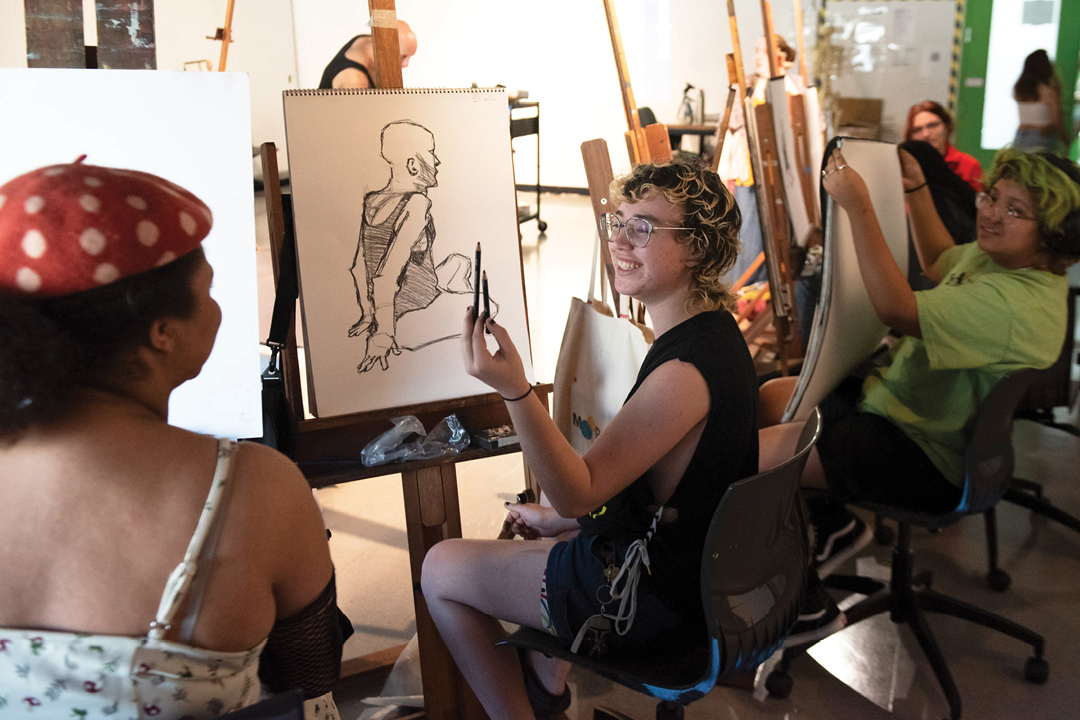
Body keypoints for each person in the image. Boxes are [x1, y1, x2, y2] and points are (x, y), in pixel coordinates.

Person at [0, 159, 348, 720]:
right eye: (207, 292)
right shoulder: (253, 489)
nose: (216, 310)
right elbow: (311, 675)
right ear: (160, 332)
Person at [421, 155, 759, 720]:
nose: (621, 241)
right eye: (617, 222)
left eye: (644, 228)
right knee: (550, 525)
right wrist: (564, 521)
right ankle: (543, 684)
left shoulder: (684, 373)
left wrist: (514, 390)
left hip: (652, 599)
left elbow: (583, 490)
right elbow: (662, 492)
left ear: (697, 247)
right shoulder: (712, 333)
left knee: (440, 569)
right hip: (689, 573)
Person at [758, 146, 1080, 635]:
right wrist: (915, 188)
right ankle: (835, 521)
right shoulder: (1003, 261)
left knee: (750, 462)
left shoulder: (1016, 303)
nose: (991, 213)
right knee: (769, 399)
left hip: (921, 455)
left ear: (1053, 237)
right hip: (898, 409)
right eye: (992, 197)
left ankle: (806, 603)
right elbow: (936, 262)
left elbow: (897, 308)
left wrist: (860, 208)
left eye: (1015, 210)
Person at [348, 120, 476, 373]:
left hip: (392, 306)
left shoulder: (372, 200)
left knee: (460, 262)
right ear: (413, 164)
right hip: (413, 316)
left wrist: (368, 313)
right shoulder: (416, 203)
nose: (437, 161)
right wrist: (383, 332)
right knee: (488, 309)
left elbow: (358, 267)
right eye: (431, 153)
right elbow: (386, 273)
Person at [904, 100, 983, 191]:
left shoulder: (969, 165)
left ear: (947, 127)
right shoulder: (905, 168)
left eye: (932, 125)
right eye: (917, 130)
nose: (926, 134)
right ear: (910, 137)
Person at [318, 20, 417, 90]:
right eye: (403, 56)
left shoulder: (368, 41)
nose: (405, 64)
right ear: (383, 47)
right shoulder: (353, 81)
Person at [1013, 49, 1071, 155]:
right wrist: (1065, 138)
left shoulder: (1019, 88)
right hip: (1041, 135)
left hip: (1021, 134)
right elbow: (1055, 120)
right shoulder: (1047, 90)